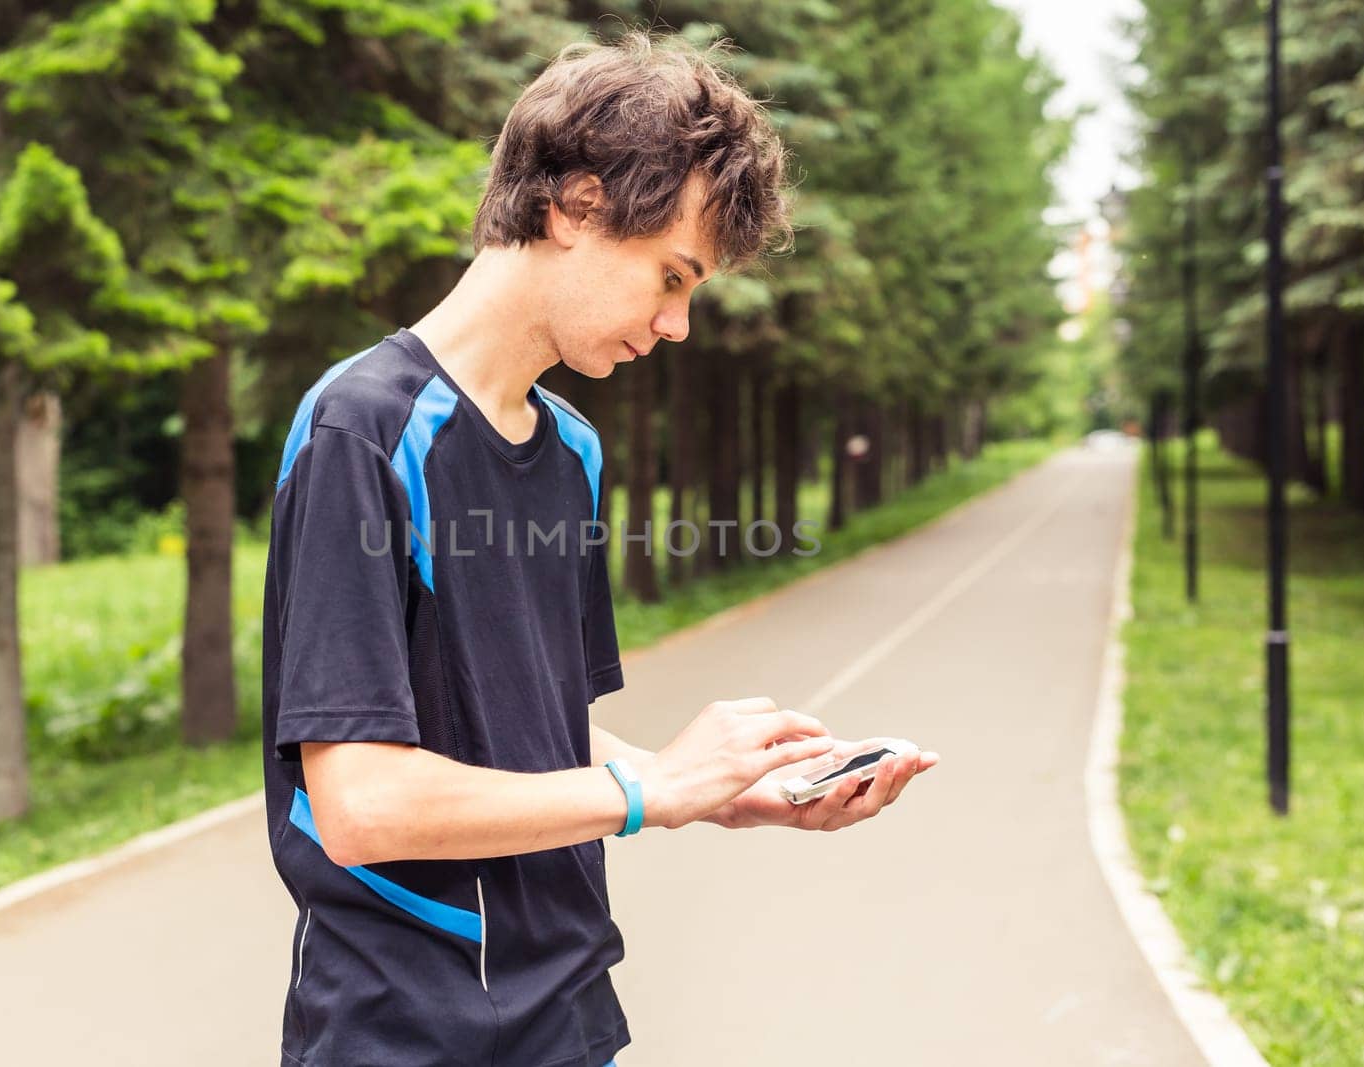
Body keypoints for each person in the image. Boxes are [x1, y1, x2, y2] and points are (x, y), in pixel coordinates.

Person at [260, 28, 938, 1067]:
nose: (675, 325)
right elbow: (359, 803)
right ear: (574, 207)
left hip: (572, 1016)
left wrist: (711, 791)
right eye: (670, 276)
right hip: (403, 1032)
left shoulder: (569, 450)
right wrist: (645, 794)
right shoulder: (362, 429)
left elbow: (539, 739)